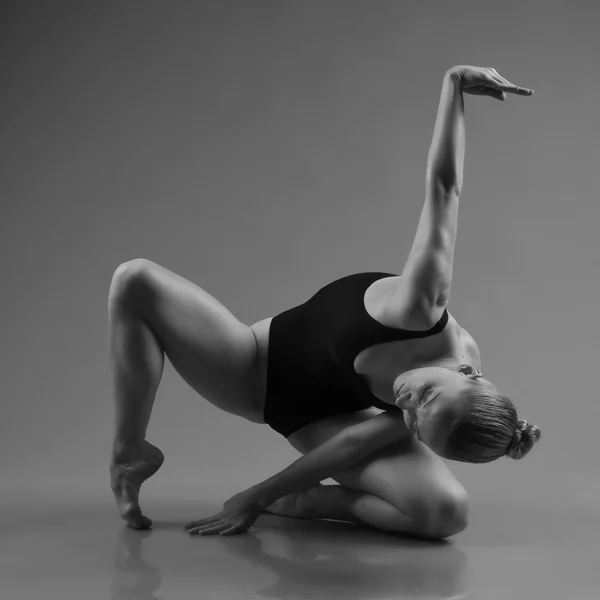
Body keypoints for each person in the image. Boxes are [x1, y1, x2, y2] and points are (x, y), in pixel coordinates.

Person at [108, 65, 541, 540]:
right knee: (134, 280)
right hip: (252, 368)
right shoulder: (421, 307)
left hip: (322, 423)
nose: (407, 405)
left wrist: (260, 496)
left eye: (416, 425)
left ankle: (317, 504)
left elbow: (354, 440)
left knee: (447, 513)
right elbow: (444, 189)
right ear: (470, 374)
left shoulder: (433, 413)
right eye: (427, 396)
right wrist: (454, 86)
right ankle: (130, 450)